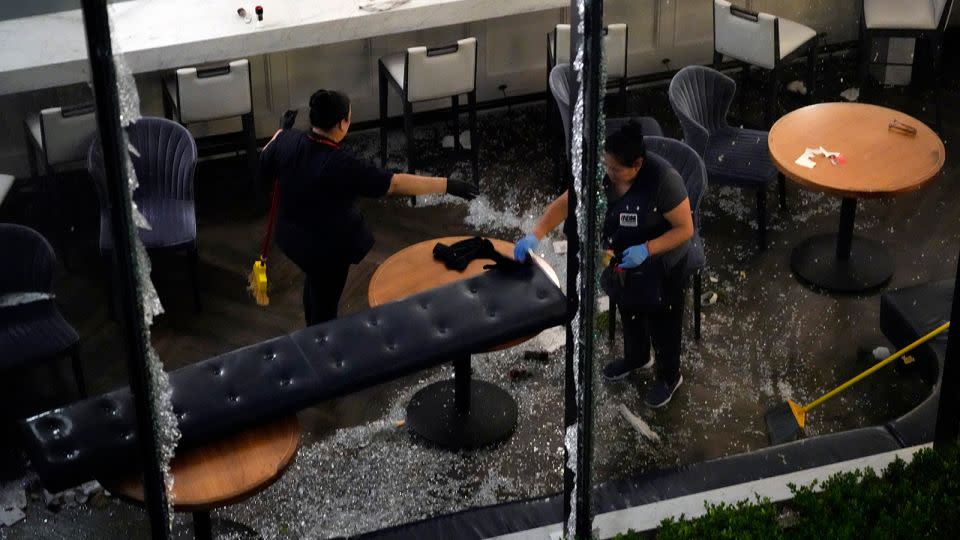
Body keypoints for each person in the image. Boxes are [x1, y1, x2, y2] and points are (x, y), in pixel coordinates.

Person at [260, 89, 478, 326]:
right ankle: (321, 341)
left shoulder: (287, 140)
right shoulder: (342, 164)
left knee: (315, 286)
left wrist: (282, 131)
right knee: (324, 302)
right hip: (324, 251)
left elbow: (267, 158)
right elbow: (394, 183)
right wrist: (447, 185)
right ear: (342, 124)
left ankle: (313, 325)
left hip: (292, 238)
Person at [514, 121, 693, 408]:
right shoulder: (604, 173)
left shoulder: (663, 180)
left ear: (637, 164)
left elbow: (685, 229)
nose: (609, 174)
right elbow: (566, 203)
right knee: (629, 307)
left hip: (663, 261)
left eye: (616, 169)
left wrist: (648, 249)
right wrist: (536, 234)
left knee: (663, 321)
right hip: (624, 256)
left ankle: (670, 377)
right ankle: (637, 358)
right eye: (606, 165)